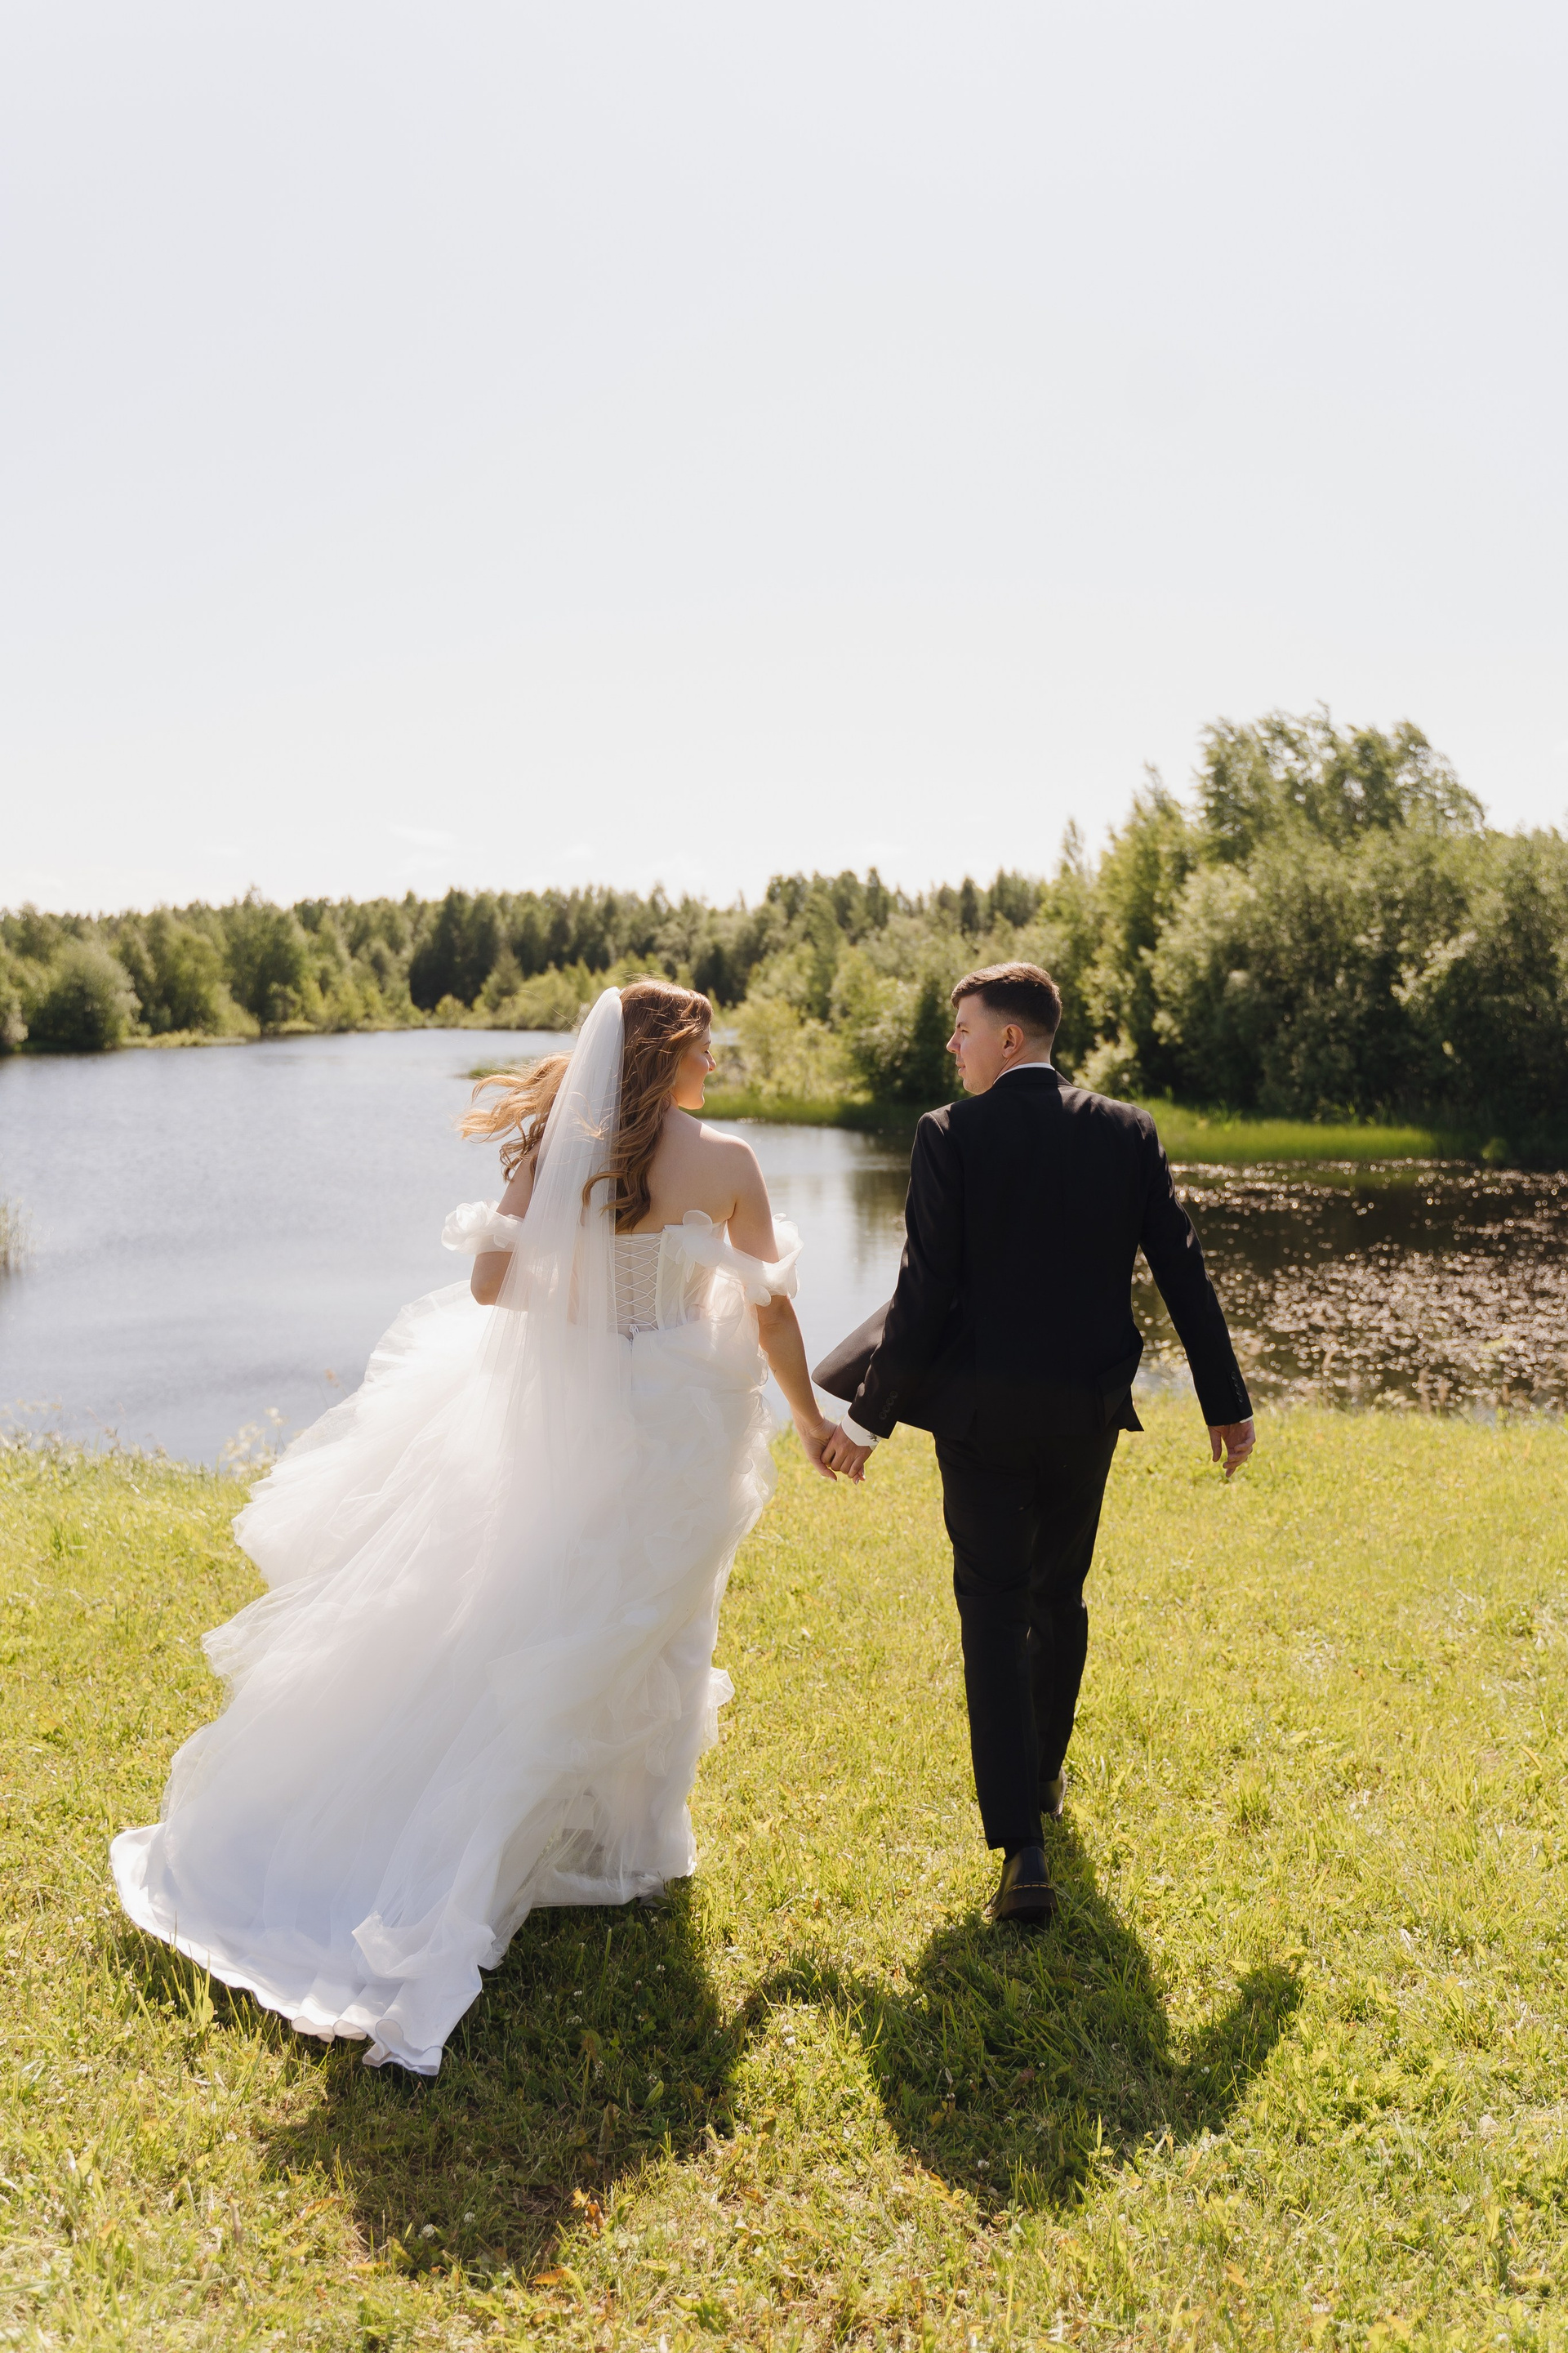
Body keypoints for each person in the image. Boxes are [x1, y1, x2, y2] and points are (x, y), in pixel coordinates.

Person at [112, 982, 840, 2074]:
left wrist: (591, 1313)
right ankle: (622, 1848)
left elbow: (493, 1285)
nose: (714, 1065)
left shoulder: (556, 1149)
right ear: (666, 1054)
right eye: (704, 1047)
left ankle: (619, 1843)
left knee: (555, 1614)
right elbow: (772, 1309)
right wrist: (808, 1416)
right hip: (681, 1419)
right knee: (655, 1618)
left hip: (582, 1412)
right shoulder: (728, 1161)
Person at [814, 961, 1254, 1927]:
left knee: (992, 1609)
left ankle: (1022, 1848)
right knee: (1060, 1595)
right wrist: (1226, 1401)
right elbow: (1182, 1268)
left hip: (980, 1424)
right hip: (1086, 1415)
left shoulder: (948, 1133)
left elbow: (923, 1294)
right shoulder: (1128, 1130)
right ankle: (1043, 1776)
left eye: (963, 1029)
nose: (953, 1047)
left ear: (1009, 1038)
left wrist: (864, 1421)